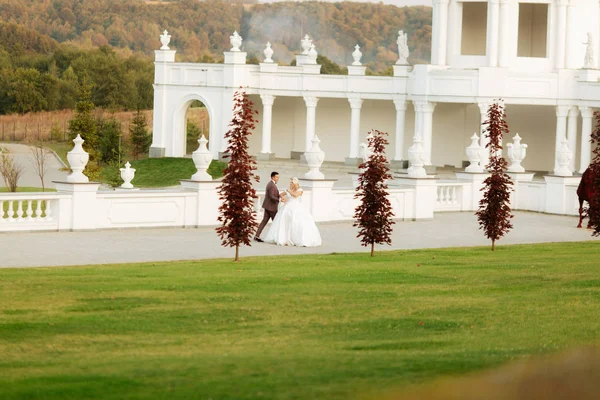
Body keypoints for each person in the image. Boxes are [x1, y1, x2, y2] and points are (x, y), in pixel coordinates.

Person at [261, 177, 322, 247]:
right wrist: (282, 198)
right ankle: (284, 238)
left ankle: (297, 239)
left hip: (296, 207)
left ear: (295, 183)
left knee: (298, 222)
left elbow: (295, 195)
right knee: (283, 220)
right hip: (287, 206)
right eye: (290, 182)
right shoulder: (288, 189)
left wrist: (289, 191)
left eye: (292, 182)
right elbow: (281, 194)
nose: (290, 183)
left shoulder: (300, 190)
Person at [255, 171, 280, 242]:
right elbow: (272, 196)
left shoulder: (270, 184)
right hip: (272, 207)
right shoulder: (272, 185)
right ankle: (277, 237)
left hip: (267, 206)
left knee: (264, 221)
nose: (278, 178)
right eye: (276, 177)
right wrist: (279, 199)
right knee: (276, 222)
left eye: (278, 177)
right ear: (273, 177)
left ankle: (257, 235)